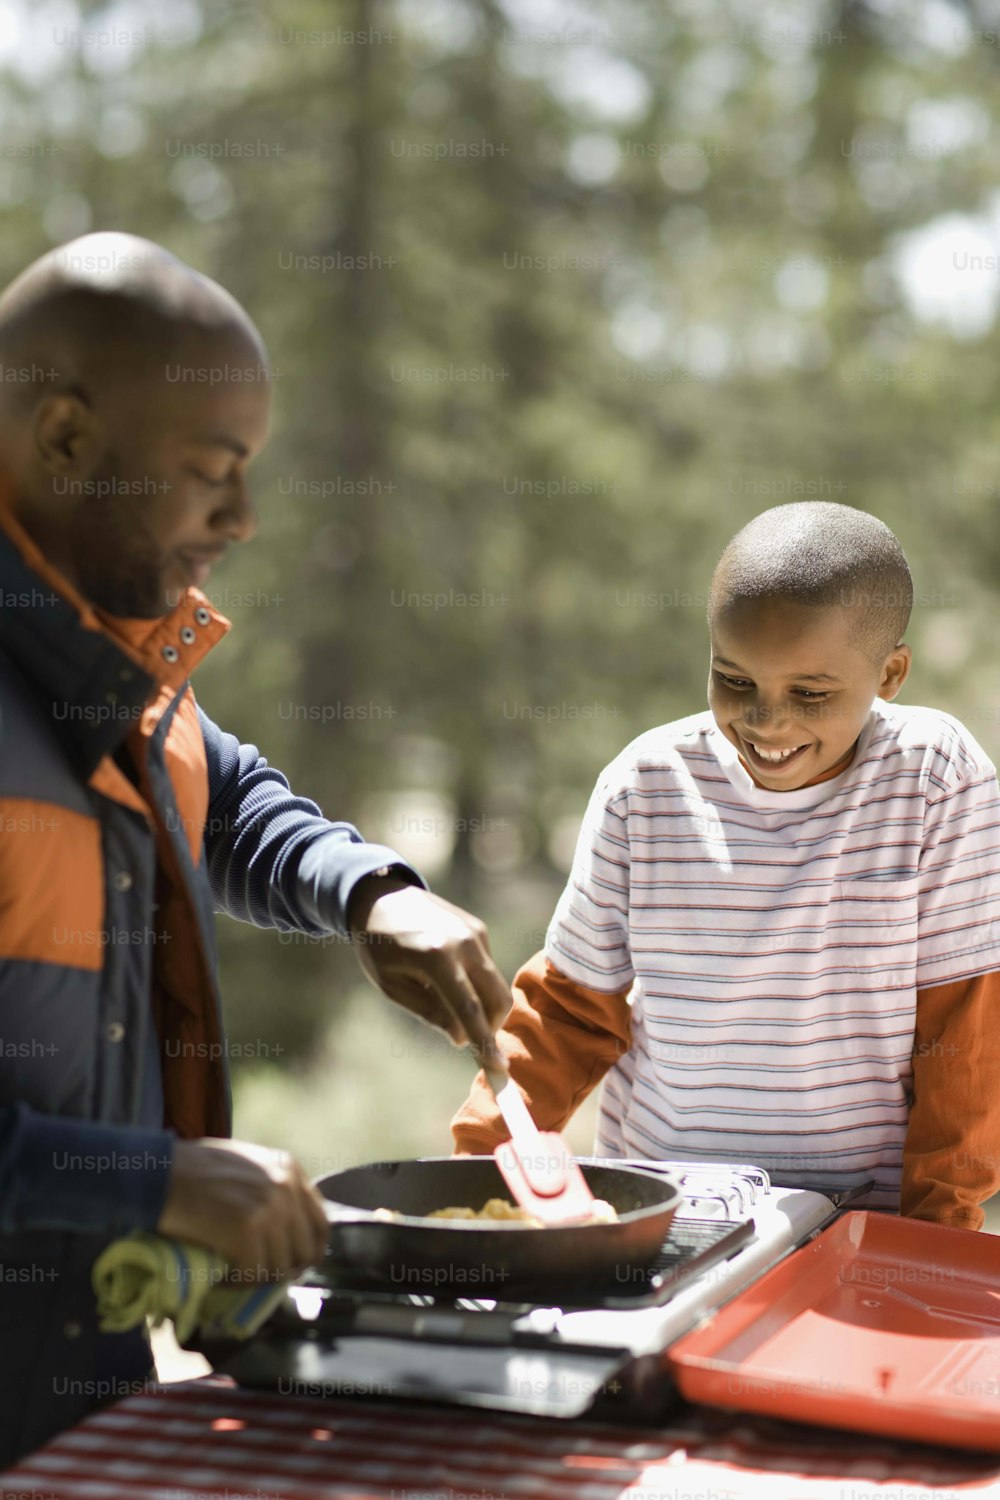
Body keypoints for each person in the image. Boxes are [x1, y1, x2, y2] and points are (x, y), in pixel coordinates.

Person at [0, 232, 509, 1466]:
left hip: (74, 1386)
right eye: (211, 471)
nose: (245, 517)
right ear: (66, 439)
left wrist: (366, 892)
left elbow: (216, 793)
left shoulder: (104, 652)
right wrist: (147, 1180)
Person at [454, 501, 1000, 1229]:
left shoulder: (937, 778)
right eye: (734, 680)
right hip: (667, 1214)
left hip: (864, 1229)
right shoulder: (643, 787)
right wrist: (467, 1178)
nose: (767, 722)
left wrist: (933, 1241)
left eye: (810, 693)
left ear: (890, 673)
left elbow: (964, 1037)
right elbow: (568, 1012)